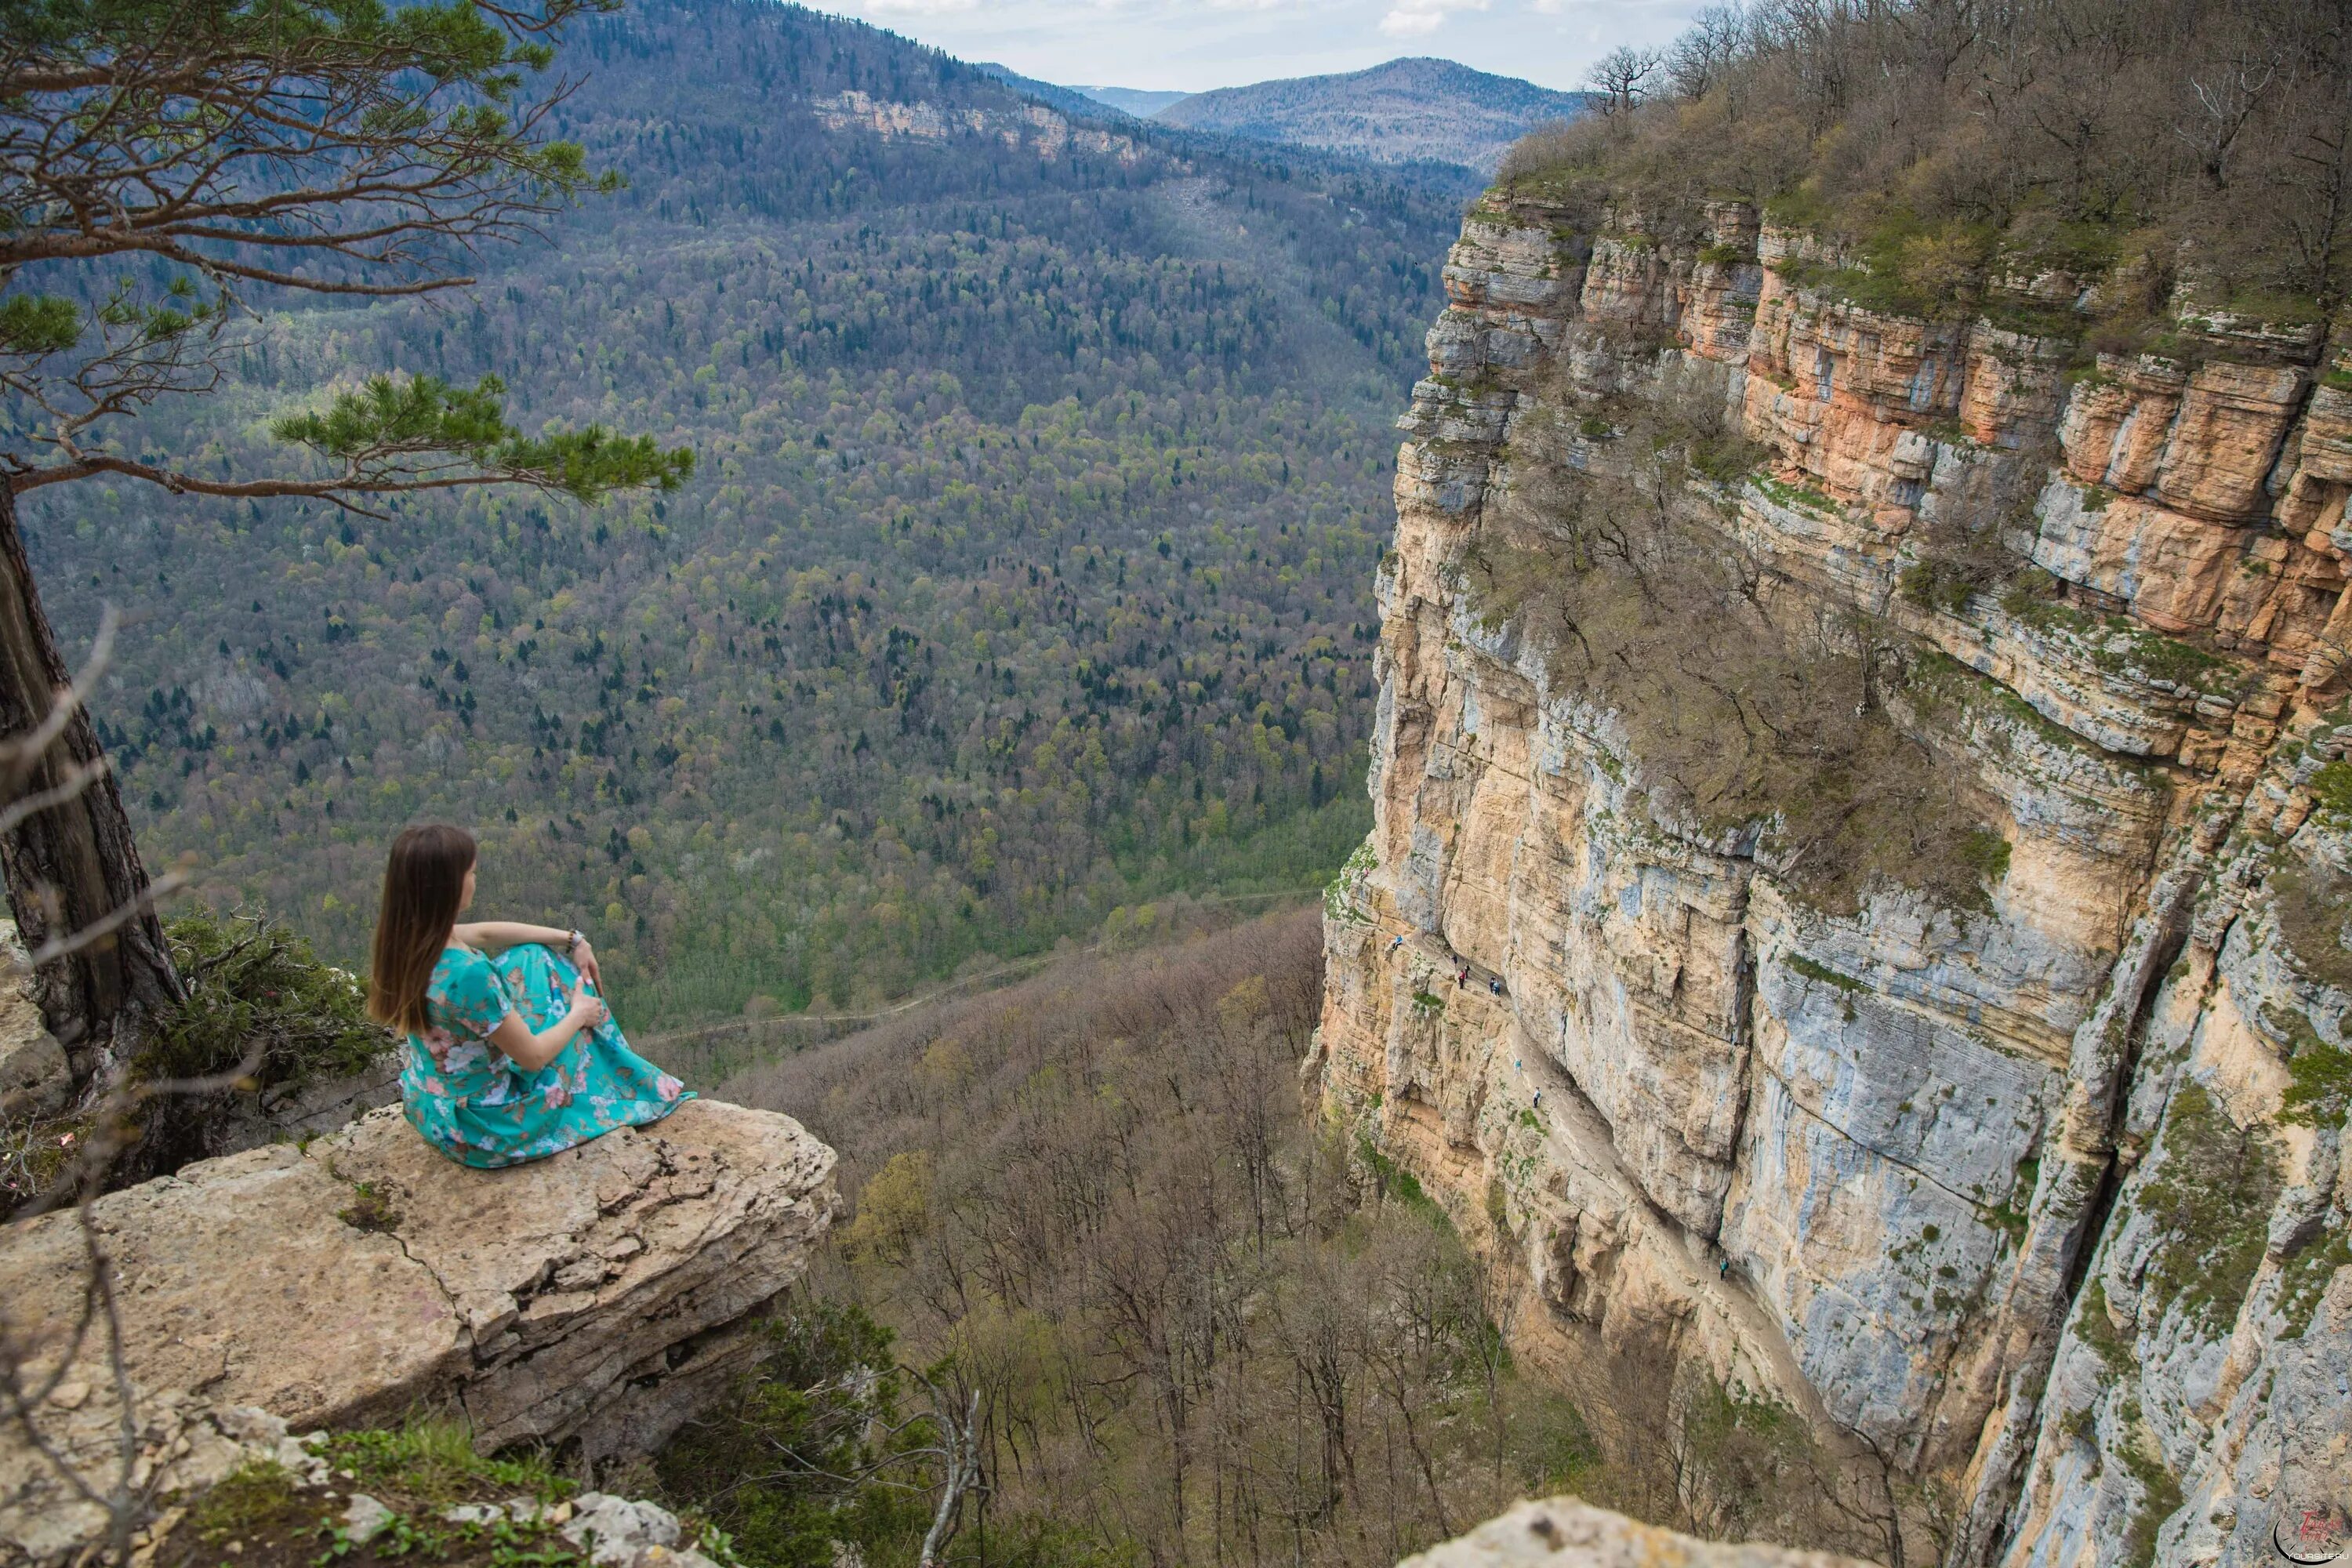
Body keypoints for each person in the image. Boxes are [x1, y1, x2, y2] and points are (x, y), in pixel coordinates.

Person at [366, 823, 691, 1167]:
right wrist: (579, 1013)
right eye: (472, 872)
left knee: (533, 956)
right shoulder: (468, 975)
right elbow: (532, 1059)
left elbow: (486, 933)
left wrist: (571, 939)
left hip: (433, 1109)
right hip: (490, 1124)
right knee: (572, 1001)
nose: (476, 880)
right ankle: (635, 1083)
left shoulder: (407, 937)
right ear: (449, 886)